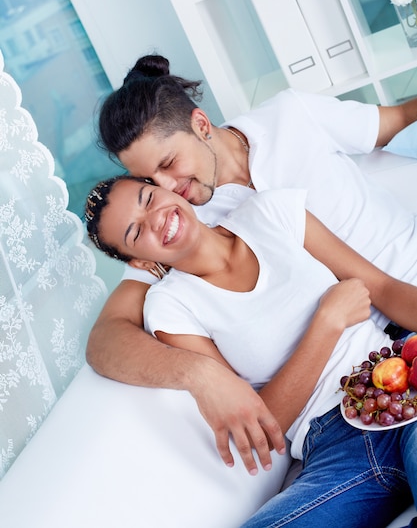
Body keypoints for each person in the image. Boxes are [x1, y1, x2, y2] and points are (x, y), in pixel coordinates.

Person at [87, 53, 417, 476]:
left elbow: (400, 118)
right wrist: (201, 375)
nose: (168, 187)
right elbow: (104, 342)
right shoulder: (178, 227)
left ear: (201, 125)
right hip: (369, 357)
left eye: (169, 164)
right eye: (150, 181)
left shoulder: (290, 115)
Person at [85, 175, 417, 527]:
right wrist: (327, 322)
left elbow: (381, 286)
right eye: (136, 233)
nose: (156, 219)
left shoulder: (271, 212)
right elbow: (263, 424)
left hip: (402, 379)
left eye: (148, 198)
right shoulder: (170, 307)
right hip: (338, 443)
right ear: (137, 261)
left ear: (167, 189)